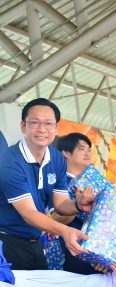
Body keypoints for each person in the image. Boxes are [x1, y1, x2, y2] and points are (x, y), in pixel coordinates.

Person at [0, 98, 94, 270]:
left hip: (35, 242)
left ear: (56, 128)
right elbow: (28, 213)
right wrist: (64, 231)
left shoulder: (56, 158)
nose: (42, 129)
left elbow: (61, 203)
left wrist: (78, 204)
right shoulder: (9, 161)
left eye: (48, 124)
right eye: (34, 123)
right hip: (6, 242)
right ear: (23, 126)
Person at [51, 133, 98, 274]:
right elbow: (54, 219)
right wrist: (77, 205)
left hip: (94, 250)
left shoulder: (96, 182)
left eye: (89, 149)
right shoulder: (57, 181)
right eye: (82, 149)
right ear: (66, 153)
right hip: (68, 251)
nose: (88, 153)